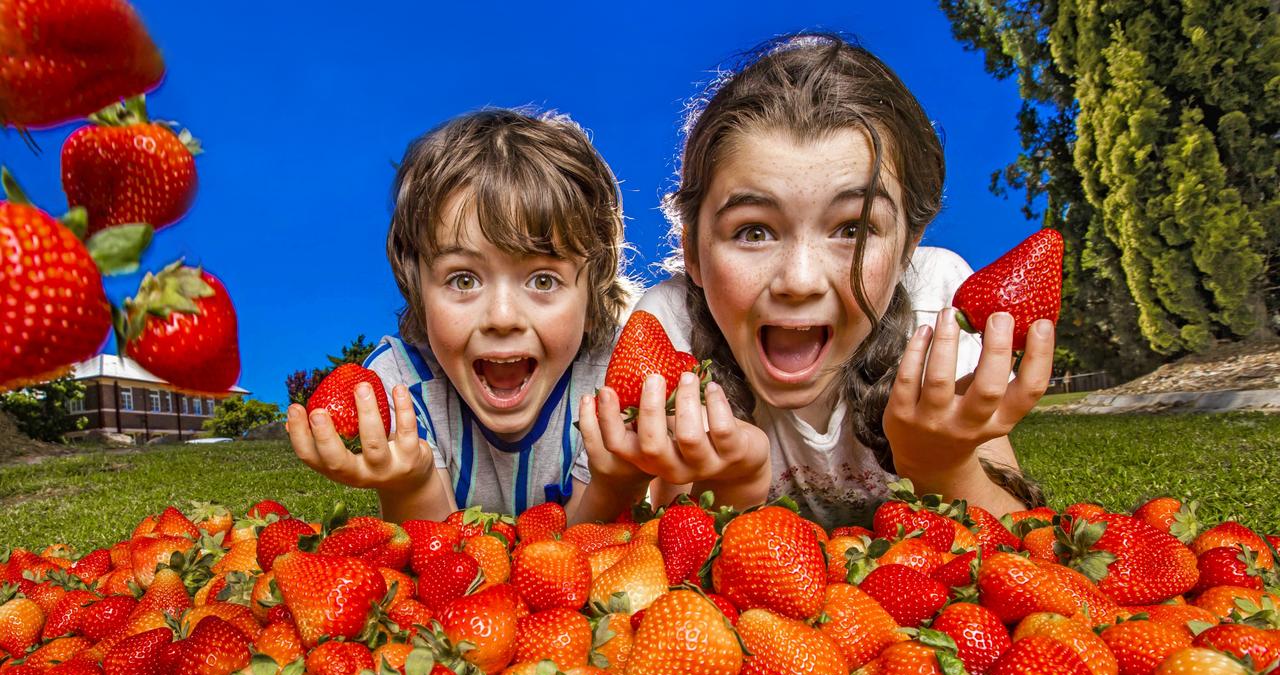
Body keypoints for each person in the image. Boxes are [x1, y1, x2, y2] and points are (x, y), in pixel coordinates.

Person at [579, 34, 1054, 527]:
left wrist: (944, 465)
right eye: (754, 231)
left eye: (853, 228)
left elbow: (1020, 541)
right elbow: (659, 557)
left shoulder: (938, 306)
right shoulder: (665, 332)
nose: (799, 281)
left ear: (907, 248)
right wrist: (728, 488)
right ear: (693, 254)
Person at [287, 109, 643, 524]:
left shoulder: (611, 382)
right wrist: (411, 483)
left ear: (592, 293)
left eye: (543, 281)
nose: (502, 317)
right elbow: (433, 556)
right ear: (416, 286)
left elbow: (592, 554)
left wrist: (618, 483)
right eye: (463, 280)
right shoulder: (401, 388)